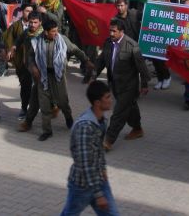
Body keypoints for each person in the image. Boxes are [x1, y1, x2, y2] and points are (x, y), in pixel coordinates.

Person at [26, 19, 92, 141]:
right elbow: (30, 57)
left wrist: (86, 60)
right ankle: (47, 131)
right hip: (43, 76)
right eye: (53, 31)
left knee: (63, 102)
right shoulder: (36, 42)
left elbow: (75, 50)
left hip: (58, 76)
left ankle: (68, 118)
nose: (56, 33)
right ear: (46, 32)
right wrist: (33, 68)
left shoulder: (62, 39)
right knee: (44, 105)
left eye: (57, 30)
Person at [60, 80, 118, 216]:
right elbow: (85, 164)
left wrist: (103, 169)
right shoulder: (85, 128)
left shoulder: (100, 120)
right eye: (107, 97)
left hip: (98, 180)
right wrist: (99, 195)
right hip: (82, 186)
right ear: (97, 102)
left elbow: (98, 151)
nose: (111, 100)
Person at [93, 18, 150, 151]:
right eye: (110, 31)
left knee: (119, 112)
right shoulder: (108, 43)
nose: (111, 34)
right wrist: (93, 75)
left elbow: (142, 67)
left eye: (114, 31)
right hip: (115, 84)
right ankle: (137, 129)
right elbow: (101, 60)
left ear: (121, 32)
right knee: (130, 108)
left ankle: (108, 140)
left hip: (129, 86)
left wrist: (145, 84)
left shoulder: (131, 46)